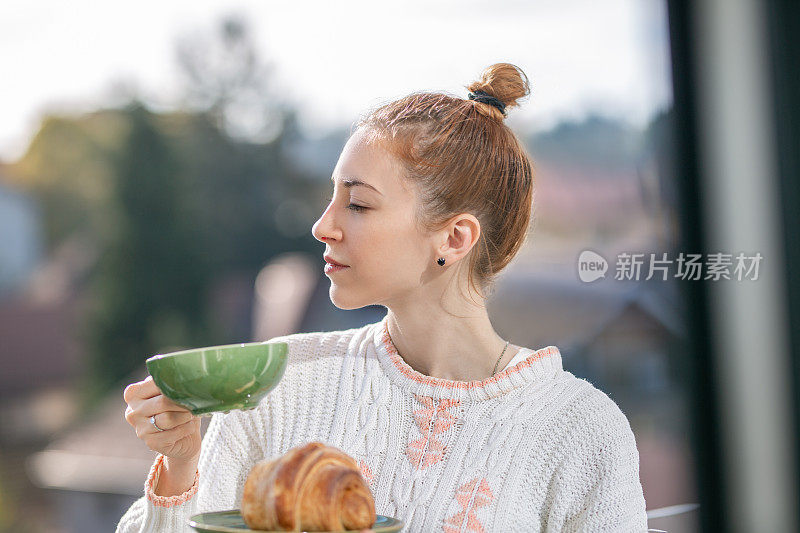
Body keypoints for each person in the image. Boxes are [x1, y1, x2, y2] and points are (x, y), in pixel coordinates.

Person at [117, 63, 649, 532]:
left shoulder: (582, 431)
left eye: (358, 205)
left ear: (455, 238)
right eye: (331, 199)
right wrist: (181, 463)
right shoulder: (274, 385)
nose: (322, 226)